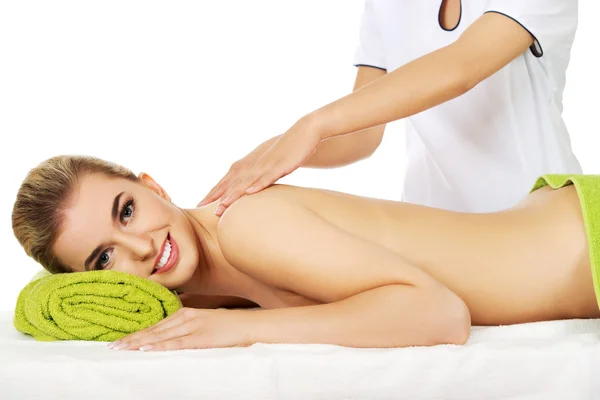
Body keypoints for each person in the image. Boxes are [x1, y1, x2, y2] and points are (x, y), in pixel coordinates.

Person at [11, 154, 600, 351]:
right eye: (103, 259)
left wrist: (236, 333)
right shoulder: (210, 292)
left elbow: (441, 315)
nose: (141, 247)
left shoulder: (246, 224)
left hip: (585, 240)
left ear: (153, 186)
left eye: (127, 209)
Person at [200, 0, 582, 216]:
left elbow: (460, 68)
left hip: (537, 218)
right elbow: (360, 136)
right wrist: (267, 156)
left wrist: (311, 126)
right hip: (431, 223)